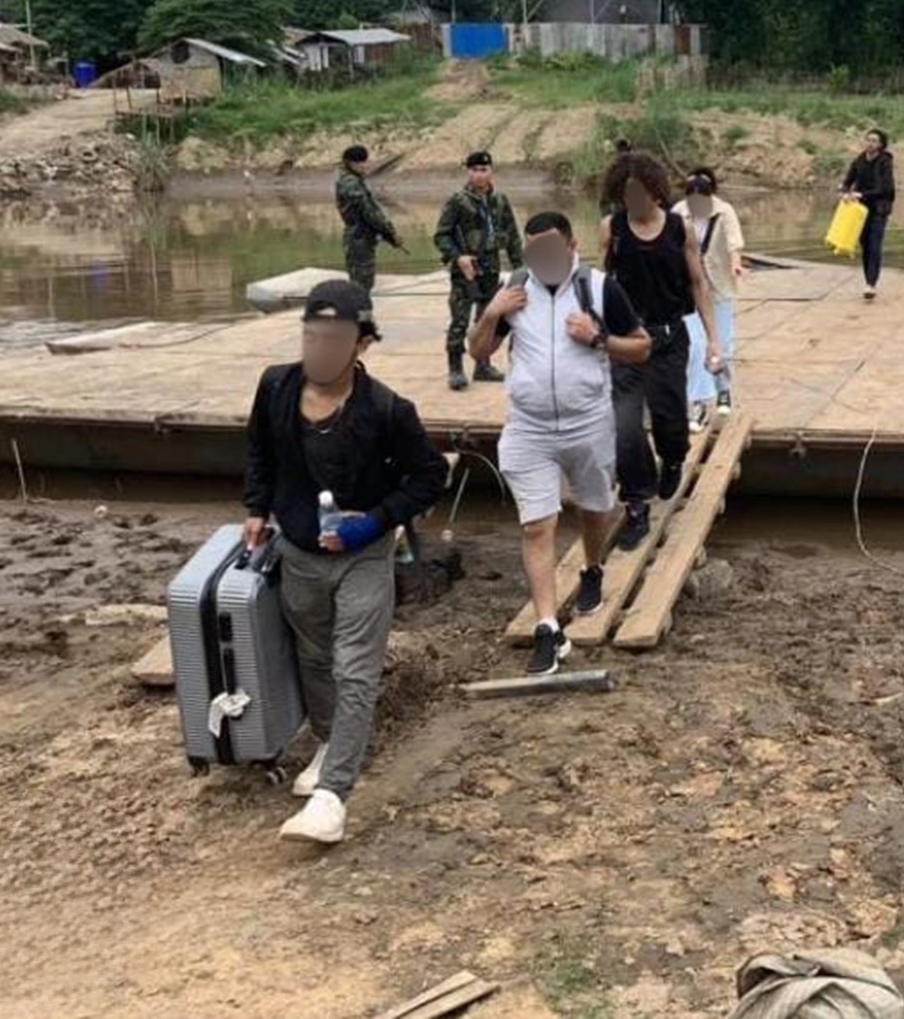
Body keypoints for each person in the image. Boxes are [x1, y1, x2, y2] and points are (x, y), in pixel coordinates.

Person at [242, 280, 448, 844]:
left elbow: (431, 475)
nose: (321, 349)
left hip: (363, 556)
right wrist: (258, 507)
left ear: (361, 343)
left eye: (334, 338)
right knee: (313, 656)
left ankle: (333, 797)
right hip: (299, 552)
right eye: (312, 336)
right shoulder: (276, 386)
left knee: (354, 664)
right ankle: (332, 739)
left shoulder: (386, 410)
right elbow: (260, 448)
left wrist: (378, 519)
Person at [469, 213, 652, 675]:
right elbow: (478, 351)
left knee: (594, 508)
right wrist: (492, 313)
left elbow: (642, 346)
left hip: (587, 421)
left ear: (571, 245)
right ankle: (548, 629)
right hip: (529, 426)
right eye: (532, 252)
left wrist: (599, 339)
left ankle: (592, 568)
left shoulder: (600, 288)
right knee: (536, 524)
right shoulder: (515, 290)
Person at [599, 152, 723, 551]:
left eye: (638, 193)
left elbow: (699, 283)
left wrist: (714, 340)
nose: (632, 201)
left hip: (669, 338)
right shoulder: (612, 229)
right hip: (627, 339)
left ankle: (672, 458)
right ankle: (636, 504)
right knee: (626, 425)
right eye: (625, 194)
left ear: (655, 192)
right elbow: (597, 283)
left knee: (670, 418)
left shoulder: (678, 228)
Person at [433, 150, 524, 391]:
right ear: (468, 172)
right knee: (459, 320)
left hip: (491, 269)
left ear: (491, 171)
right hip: (466, 270)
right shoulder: (458, 201)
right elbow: (441, 235)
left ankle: (482, 365)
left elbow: (513, 237)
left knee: (487, 318)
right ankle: (455, 367)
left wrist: (522, 271)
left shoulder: (500, 200)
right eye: (474, 170)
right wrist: (457, 257)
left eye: (483, 170)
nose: (479, 175)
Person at [671, 169, 744, 432]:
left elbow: (735, 242)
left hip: (718, 285)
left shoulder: (724, 212)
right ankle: (699, 403)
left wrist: (736, 264)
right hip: (689, 287)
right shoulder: (679, 212)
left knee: (721, 344)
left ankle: (723, 390)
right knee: (695, 345)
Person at [334, 145, 400, 292]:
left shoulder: (353, 181)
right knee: (362, 282)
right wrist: (389, 232)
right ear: (349, 163)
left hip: (361, 236)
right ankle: (361, 312)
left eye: (364, 161)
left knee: (362, 281)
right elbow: (369, 212)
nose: (364, 166)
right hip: (359, 237)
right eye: (359, 163)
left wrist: (387, 232)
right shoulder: (351, 183)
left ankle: (360, 310)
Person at [839, 130, 896, 300]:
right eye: (868, 140)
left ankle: (871, 284)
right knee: (864, 245)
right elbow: (848, 180)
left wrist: (861, 194)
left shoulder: (885, 162)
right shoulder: (859, 160)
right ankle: (868, 281)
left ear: (880, 145)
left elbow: (885, 189)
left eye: (874, 141)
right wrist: (844, 192)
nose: (870, 143)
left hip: (879, 208)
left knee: (874, 244)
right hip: (860, 210)